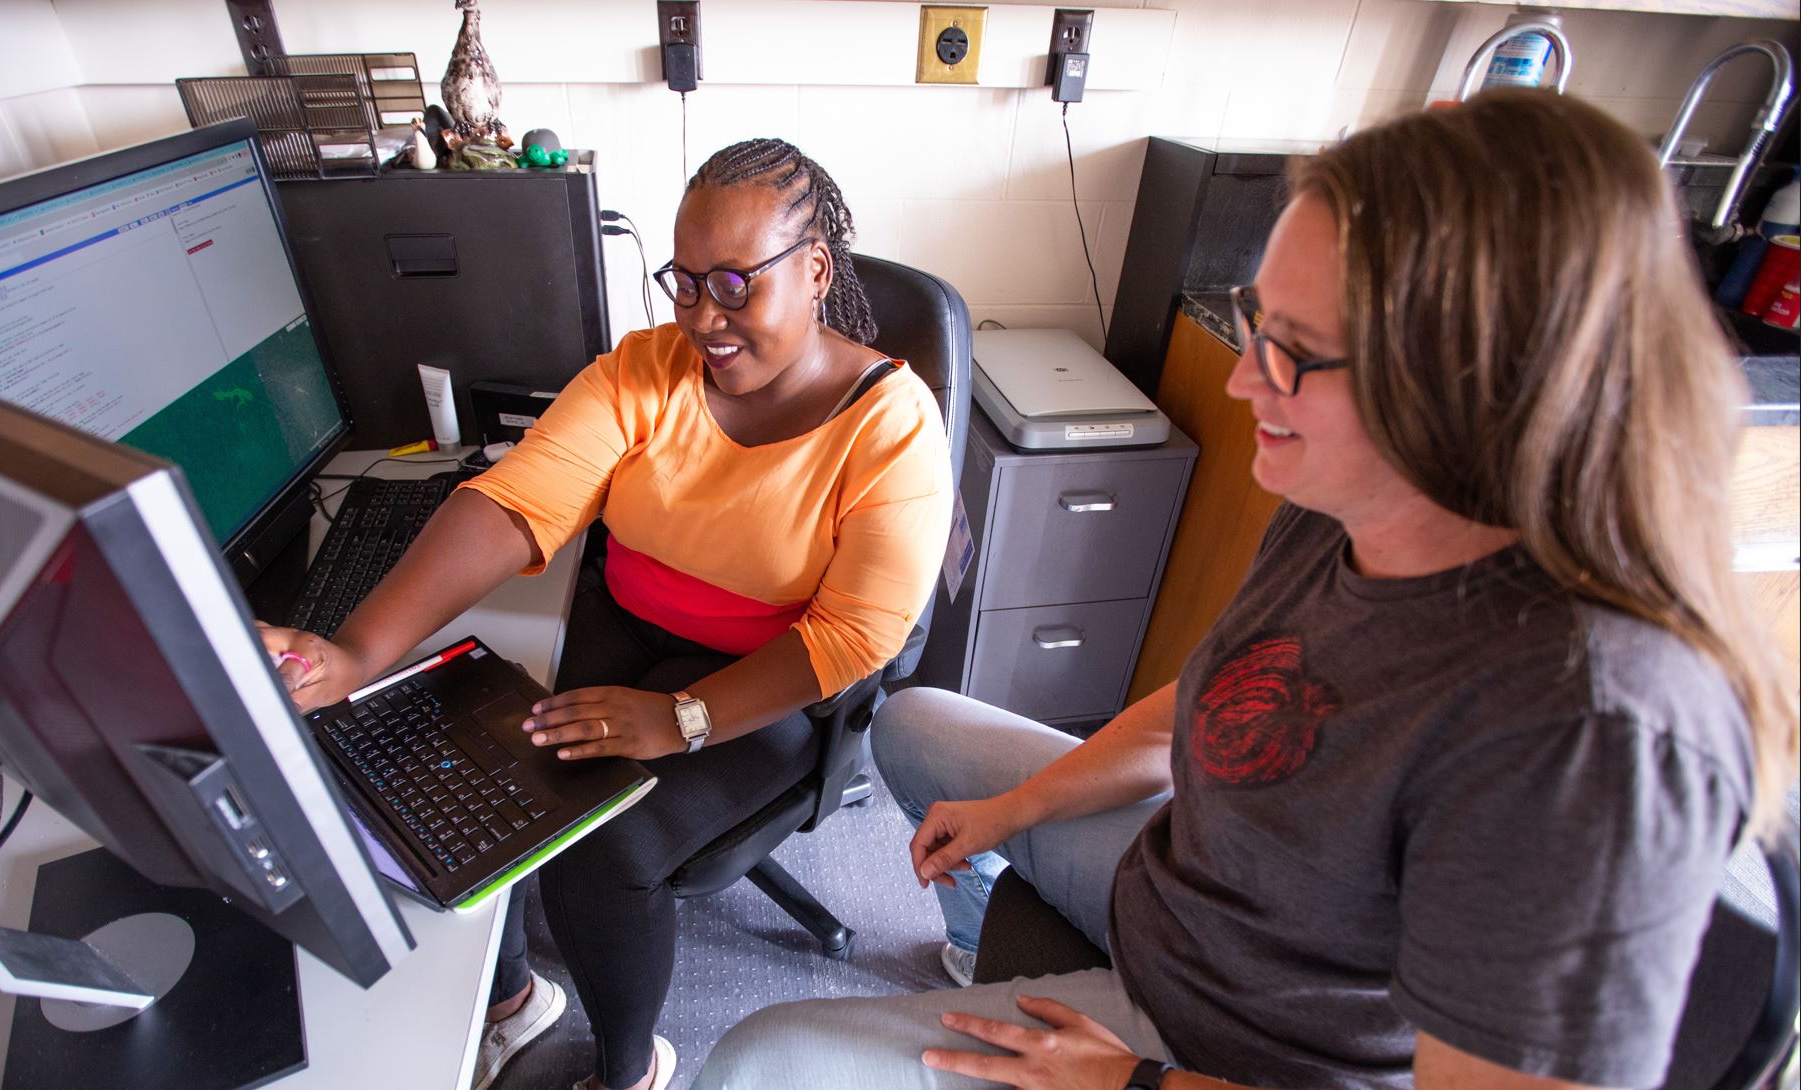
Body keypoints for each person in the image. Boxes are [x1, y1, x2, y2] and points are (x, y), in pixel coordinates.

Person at [692, 89, 1798, 1090]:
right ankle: (985, 940)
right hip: (1196, 888)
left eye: (1292, 352)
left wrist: (1132, 1085)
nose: (1237, 375)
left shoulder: (1585, 728)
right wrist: (1014, 810)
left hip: (1251, 1049)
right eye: (1252, 318)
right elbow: (1222, 699)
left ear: (1466, 387)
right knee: (918, 724)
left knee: (755, 1060)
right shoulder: (1342, 503)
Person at [256, 137, 952, 1090]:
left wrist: (681, 719)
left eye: (737, 284)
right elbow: (514, 501)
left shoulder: (891, 425)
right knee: (452, 737)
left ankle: (628, 1066)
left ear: (816, 271)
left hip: (770, 679)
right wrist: (351, 654)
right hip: (628, 625)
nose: (705, 317)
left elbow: (852, 637)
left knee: (601, 845)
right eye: (687, 282)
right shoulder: (646, 369)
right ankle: (513, 1002)